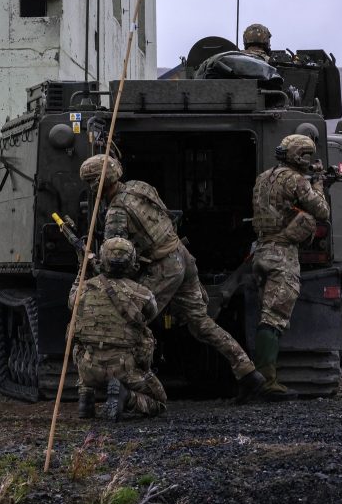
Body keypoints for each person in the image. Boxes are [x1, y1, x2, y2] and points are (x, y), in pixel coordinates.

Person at [79, 154, 267, 402]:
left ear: (96, 184)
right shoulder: (140, 187)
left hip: (164, 267)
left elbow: (116, 259)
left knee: (131, 319)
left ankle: (133, 386)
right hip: (182, 256)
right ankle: (248, 372)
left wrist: (92, 261)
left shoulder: (116, 212)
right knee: (201, 323)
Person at [250, 133, 330, 399]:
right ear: (299, 155)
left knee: (265, 314)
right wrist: (318, 185)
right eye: (307, 155)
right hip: (282, 255)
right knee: (273, 319)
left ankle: (257, 378)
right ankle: (266, 382)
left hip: (261, 251)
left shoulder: (263, 177)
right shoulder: (296, 180)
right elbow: (322, 211)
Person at [70, 237, 166, 420]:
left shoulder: (84, 289)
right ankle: (125, 396)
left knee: (80, 340)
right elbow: (150, 315)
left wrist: (83, 269)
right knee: (159, 402)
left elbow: (72, 302)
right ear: (132, 263)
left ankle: (85, 398)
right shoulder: (143, 294)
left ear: (103, 260)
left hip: (89, 367)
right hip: (123, 369)